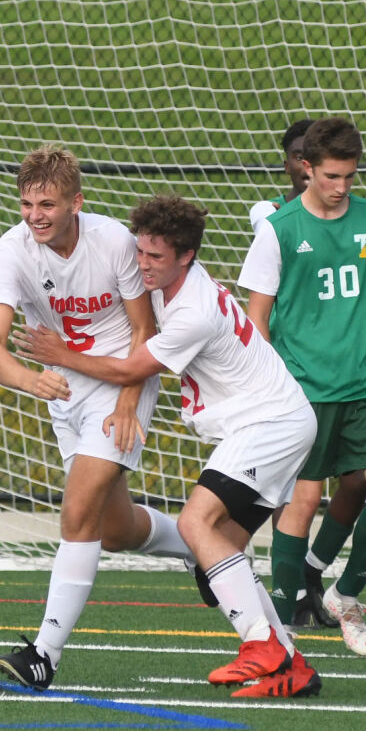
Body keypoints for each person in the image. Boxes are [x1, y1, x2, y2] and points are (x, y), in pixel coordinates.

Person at [20, 192, 322, 699]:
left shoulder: (194, 312)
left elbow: (129, 368)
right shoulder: (164, 284)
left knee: (194, 523)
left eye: (156, 257)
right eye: (139, 252)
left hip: (270, 422)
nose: (143, 265)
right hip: (272, 419)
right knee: (219, 547)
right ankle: (292, 665)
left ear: (188, 256)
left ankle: (260, 643)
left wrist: (62, 354)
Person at [0, 146, 190, 691]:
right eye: (26, 204)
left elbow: (146, 332)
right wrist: (32, 379)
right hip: (63, 391)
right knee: (113, 530)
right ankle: (198, 542)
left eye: (47, 203)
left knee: (75, 512)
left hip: (122, 380)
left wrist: (127, 399)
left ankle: (44, 653)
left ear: (77, 201)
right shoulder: (11, 250)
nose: (35, 216)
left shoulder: (113, 240)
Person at [238, 117, 366, 657]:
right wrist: (269, 389)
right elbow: (257, 317)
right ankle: (280, 623)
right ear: (306, 167)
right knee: (302, 501)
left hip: (365, 383)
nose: (341, 187)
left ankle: (345, 596)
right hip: (303, 388)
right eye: (332, 176)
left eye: (350, 176)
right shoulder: (279, 228)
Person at [249, 117, 360, 630]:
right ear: (293, 163)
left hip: (355, 376)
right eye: (294, 156)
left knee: (363, 482)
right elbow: (261, 310)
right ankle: (289, 594)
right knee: (294, 494)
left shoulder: (360, 217)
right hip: (299, 380)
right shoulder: (273, 219)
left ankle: (311, 571)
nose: (301, 165)